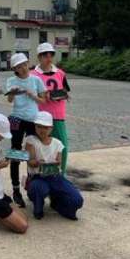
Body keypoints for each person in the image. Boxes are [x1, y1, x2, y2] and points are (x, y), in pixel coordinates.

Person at [25, 111, 83, 220]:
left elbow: (59, 162)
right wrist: (37, 162)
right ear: (35, 126)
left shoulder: (57, 143)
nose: (42, 130)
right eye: (39, 126)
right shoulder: (31, 140)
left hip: (55, 177)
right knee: (38, 189)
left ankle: (56, 203)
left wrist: (55, 164)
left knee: (77, 200)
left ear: (51, 128)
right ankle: (38, 208)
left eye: (45, 127)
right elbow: (30, 161)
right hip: (38, 177)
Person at [6, 52, 46, 208]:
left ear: (28, 63)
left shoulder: (36, 80)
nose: (22, 68)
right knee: (15, 153)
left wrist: (32, 95)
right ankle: (16, 190)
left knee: (32, 153)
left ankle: (32, 185)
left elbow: (43, 100)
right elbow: (9, 100)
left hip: (32, 119)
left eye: (24, 64)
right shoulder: (11, 80)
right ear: (14, 69)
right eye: (18, 67)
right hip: (16, 118)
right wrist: (12, 93)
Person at [31, 42, 71, 173]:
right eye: (45, 55)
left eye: (51, 55)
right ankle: (36, 176)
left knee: (62, 147)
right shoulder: (33, 75)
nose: (48, 58)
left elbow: (65, 90)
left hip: (57, 116)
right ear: (39, 57)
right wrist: (42, 95)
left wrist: (61, 94)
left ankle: (60, 175)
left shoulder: (60, 73)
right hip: (40, 116)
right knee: (37, 148)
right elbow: (30, 94)